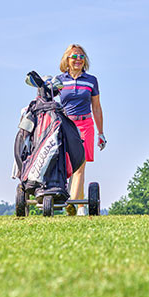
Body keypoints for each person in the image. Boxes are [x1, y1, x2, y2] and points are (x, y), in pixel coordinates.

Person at [56, 44, 106, 215]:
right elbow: (48, 100)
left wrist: (101, 133)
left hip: (85, 125)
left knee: (79, 166)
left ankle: (75, 205)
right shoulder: (59, 81)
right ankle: (76, 204)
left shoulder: (91, 80)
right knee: (65, 165)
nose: (78, 59)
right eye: (74, 56)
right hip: (65, 125)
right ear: (67, 60)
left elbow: (97, 108)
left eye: (81, 56)